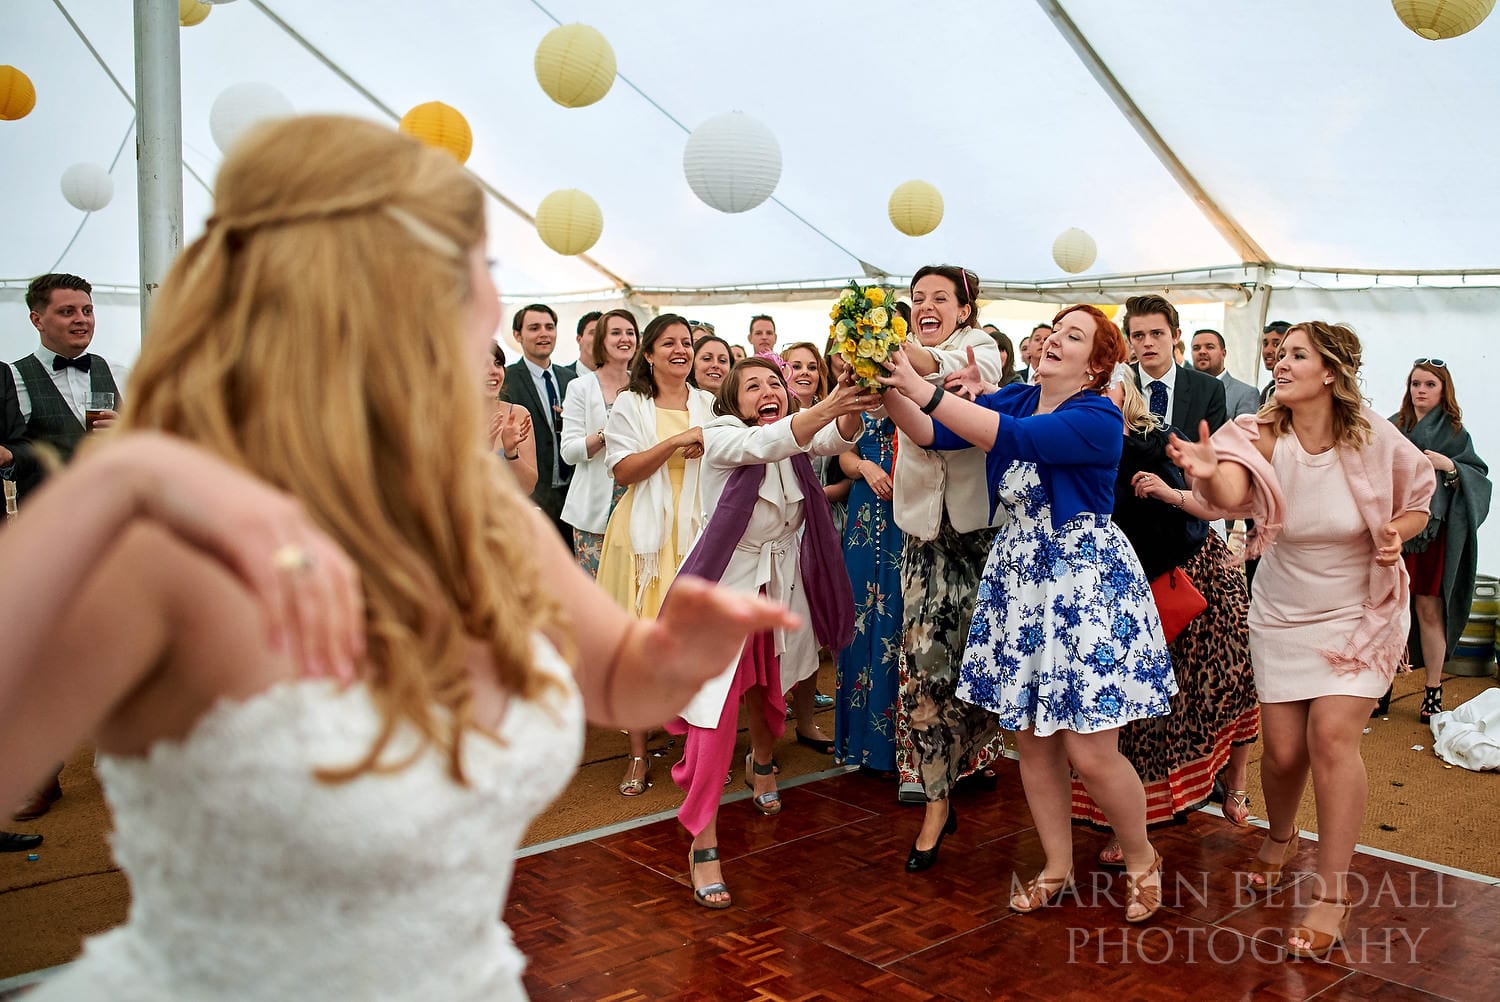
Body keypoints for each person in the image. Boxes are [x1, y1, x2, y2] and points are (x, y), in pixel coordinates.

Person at [0, 115, 797, 1000]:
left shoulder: (481, 513)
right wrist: (112, 491)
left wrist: (688, 645)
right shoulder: (157, 530)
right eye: (457, 272)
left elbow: (622, 682)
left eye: (480, 268)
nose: (487, 301)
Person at [881, 304, 1175, 924]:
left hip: (1082, 586)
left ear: (1097, 366)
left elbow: (1014, 440)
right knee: (1034, 743)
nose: (1055, 340)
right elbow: (933, 433)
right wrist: (886, 388)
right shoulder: (1018, 397)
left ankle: (1142, 858)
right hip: (1019, 580)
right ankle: (1056, 865)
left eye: (1075, 336)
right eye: (1055, 331)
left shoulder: (1097, 416)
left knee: (1090, 751)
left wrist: (922, 387)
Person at [1170, 320, 1433, 959]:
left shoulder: (1373, 435)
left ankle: (1333, 894)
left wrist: (1395, 531)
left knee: (1331, 737)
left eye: (1296, 355)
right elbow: (1233, 492)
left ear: (1331, 373)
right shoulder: (1259, 432)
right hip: (1282, 611)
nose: (1280, 363)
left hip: (1360, 610)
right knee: (1284, 754)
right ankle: (1281, 836)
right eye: (1280, 354)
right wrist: (1209, 472)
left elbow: (1419, 497)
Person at [669, 357, 869, 908]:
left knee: (769, 688)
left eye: (774, 382)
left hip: (779, 587)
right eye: (752, 385)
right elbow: (769, 443)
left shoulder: (796, 435)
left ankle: (761, 765)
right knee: (713, 715)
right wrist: (826, 408)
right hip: (723, 591)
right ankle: (703, 840)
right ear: (732, 401)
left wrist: (850, 402)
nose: (767, 390)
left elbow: (833, 437)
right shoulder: (721, 436)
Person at [1078, 376, 1258, 862]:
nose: (1097, 398)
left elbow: (1211, 506)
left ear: (1126, 394)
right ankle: (1133, 828)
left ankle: (1237, 781)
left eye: (1106, 389)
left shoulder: (1158, 441)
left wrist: (1165, 492)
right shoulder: (1077, 447)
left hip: (1198, 575)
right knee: (1142, 716)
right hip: (1133, 590)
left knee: (1231, 684)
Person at [887, 265, 1007, 855]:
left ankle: (982, 762)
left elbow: (947, 367)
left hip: (982, 538)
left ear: (964, 309)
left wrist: (888, 351)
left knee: (987, 670)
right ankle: (936, 803)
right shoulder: (895, 360)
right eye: (917, 299)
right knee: (925, 672)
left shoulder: (978, 348)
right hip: (924, 538)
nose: (926, 306)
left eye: (940, 298)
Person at [5, 272, 132, 820]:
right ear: (37, 319)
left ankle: (122, 763)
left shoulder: (113, 371)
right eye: (67, 311)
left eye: (86, 310)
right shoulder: (11, 378)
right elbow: (9, 454)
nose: (81, 319)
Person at [597, 313, 716, 795]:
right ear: (648, 354)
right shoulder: (631, 403)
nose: (680, 350)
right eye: (668, 343)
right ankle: (638, 755)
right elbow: (622, 471)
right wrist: (675, 442)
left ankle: (694, 753)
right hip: (646, 537)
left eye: (686, 342)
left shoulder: (708, 402)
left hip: (697, 532)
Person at [1390, 359, 1491, 721]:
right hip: (1395, 531)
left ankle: (1432, 689)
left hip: (1432, 537)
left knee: (1428, 609)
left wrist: (1450, 466)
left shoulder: (1455, 433)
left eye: (1430, 384)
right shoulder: (1393, 426)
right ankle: (1381, 686)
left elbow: (1478, 476)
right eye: (1415, 383)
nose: (1421, 390)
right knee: (1388, 609)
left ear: (1443, 390)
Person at [835, 391, 905, 778]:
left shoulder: (914, 390)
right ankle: (858, 742)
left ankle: (895, 746)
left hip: (905, 507)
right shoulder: (856, 396)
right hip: (864, 510)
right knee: (858, 617)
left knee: (898, 619)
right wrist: (865, 466)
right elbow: (844, 454)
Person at [781, 340, 847, 746]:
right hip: (777, 533)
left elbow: (844, 468)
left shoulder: (829, 418)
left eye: (811, 366)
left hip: (818, 529)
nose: (804, 373)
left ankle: (806, 721)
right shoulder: (767, 416)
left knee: (807, 630)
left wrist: (815, 498)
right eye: (795, 365)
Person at [560, 309, 637, 575]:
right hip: (593, 512)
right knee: (596, 591)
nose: (624, 338)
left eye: (630, 332)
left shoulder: (644, 387)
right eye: (616, 333)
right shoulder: (580, 387)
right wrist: (606, 434)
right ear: (602, 340)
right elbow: (569, 452)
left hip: (638, 506)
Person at [500, 302, 575, 541]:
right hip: (532, 498)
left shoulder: (572, 379)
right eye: (534, 328)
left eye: (549, 327)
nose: (544, 333)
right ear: (517, 335)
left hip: (572, 497)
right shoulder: (506, 380)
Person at [1123, 294, 1227, 442]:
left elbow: (1213, 449)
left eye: (1156, 333)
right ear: (1129, 340)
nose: (1147, 343)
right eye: (1138, 335)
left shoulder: (1208, 389)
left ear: (1175, 336)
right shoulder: (1118, 385)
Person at [484, 342, 537, 494]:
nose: (494, 371)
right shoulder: (451, 417)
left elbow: (528, 487)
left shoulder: (518, 414)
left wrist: (511, 452)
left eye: (498, 364)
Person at [1191, 328, 1259, 417]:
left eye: (1209, 347)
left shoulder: (1246, 394)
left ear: (1223, 353)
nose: (1202, 351)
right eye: (1196, 348)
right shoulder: (1181, 389)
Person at [1257, 321, 1291, 406]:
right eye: (1265, 344)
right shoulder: (1268, 390)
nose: (1267, 351)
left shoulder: (1293, 389)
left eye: (1276, 344)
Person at [568, 310, 602, 375]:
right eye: (593, 333)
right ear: (579, 339)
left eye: (603, 333)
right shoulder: (561, 377)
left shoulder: (618, 377)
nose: (599, 338)